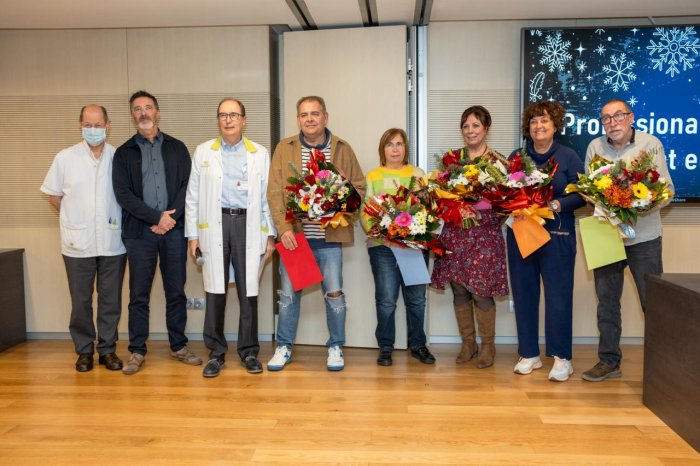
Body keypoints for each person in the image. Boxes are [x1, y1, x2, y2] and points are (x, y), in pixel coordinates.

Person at [266, 96, 366, 372]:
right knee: (288, 296)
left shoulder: (342, 148)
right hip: (295, 238)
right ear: (298, 119)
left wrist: (344, 188)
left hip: (330, 239)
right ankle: (284, 347)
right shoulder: (284, 148)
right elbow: (274, 192)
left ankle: (336, 346)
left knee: (334, 295)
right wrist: (283, 229)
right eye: (303, 114)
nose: (309, 119)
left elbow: (360, 189)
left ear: (325, 117)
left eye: (314, 113)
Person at [581, 99, 674, 382]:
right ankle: (608, 361)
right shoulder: (595, 147)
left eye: (618, 115)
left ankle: (663, 366)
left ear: (631, 117)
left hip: (644, 237)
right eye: (606, 118)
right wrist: (602, 201)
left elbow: (667, 190)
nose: (613, 122)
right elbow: (589, 191)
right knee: (607, 303)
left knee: (652, 302)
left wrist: (637, 204)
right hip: (606, 236)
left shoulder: (650, 144)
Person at [185, 98, 276, 377]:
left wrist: (270, 235)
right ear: (218, 120)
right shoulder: (203, 152)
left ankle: (249, 351)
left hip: (249, 224)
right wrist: (192, 235)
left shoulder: (259, 153)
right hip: (215, 224)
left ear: (244, 120)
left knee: (249, 290)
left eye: (234, 115)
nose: (228, 120)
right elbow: (193, 196)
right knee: (215, 289)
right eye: (223, 115)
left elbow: (267, 197)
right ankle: (216, 352)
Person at [112, 90, 201, 375]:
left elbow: (188, 186)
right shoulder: (123, 153)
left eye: (148, 107)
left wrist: (168, 219)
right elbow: (123, 194)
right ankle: (137, 350)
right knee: (138, 294)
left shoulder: (177, 147)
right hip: (139, 233)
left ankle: (179, 346)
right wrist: (155, 218)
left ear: (157, 112)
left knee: (176, 291)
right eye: (137, 109)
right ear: (132, 115)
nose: (143, 113)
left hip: (173, 231)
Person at [40, 104, 127, 372]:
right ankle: (85, 350)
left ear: (108, 125)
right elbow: (54, 196)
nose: (93, 130)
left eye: (98, 125)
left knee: (110, 300)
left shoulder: (119, 157)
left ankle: (108, 350)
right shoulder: (65, 158)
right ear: (80, 125)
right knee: (80, 300)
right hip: (77, 244)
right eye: (88, 125)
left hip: (113, 242)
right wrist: (76, 218)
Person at [508, 100, 585, 382]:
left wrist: (555, 205)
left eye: (544, 121)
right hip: (521, 235)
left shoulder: (568, 156)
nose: (538, 126)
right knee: (524, 295)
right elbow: (504, 193)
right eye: (533, 121)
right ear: (527, 127)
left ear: (555, 126)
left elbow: (582, 194)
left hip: (558, 236)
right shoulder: (516, 157)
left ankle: (562, 358)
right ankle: (529, 353)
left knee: (558, 298)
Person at [431, 106, 509, 368]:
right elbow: (440, 193)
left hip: (484, 235)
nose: (470, 131)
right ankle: (468, 343)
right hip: (455, 233)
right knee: (459, 289)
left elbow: (506, 200)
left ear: (486, 128)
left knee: (482, 291)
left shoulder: (499, 162)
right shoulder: (452, 160)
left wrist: (478, 207)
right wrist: (454, 205)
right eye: (465, 126)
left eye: (475, 125)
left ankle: (487, 346)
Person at [364, 128, 435, 366]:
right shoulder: (373, 176)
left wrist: (415, 234)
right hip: (382, 247)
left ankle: (418, 345)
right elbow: (366, 213)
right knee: (386, 300)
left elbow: (427, 206)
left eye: (399, 144)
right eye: (389, 144)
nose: (395, 149)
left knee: (417, 300)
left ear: (406, 148)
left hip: (413, 247)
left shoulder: (417, 173)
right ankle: (385, 347)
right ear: (382, 149)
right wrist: (383, 235)